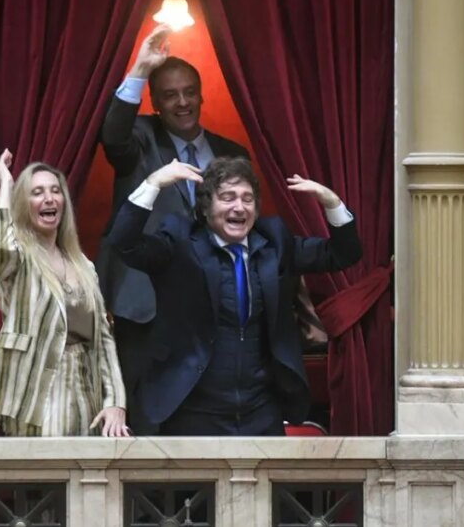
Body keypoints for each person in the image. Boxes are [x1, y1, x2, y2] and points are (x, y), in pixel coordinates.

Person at [107, 157, 362, 436]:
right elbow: (124, 243)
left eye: (247, 199)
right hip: (193, 409)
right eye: (228, 198)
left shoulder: (275, 242)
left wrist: (331, 202)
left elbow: (344, 253)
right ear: (206, 208)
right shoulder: (179, 241)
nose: (239, 207)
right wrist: (153, 183)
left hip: (261, 409)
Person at [97, 25, 249, 429]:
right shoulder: (140, 138)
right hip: (145, 305)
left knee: (204, 417)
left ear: (201, 95)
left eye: (189, 92)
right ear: (155, 103)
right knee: (145, 418)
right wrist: (141, 69)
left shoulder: (231, 153)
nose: (182, 102)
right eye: (170, 95)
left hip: (212, 304)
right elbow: (112, 135)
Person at [0, 149, 130, 437]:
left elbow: (103, 337)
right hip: (36, 392)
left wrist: (115, 402)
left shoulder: (82, 264)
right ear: (23, 205)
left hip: (85, 392)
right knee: (48, 465)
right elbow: (0, 251)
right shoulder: (18, 257)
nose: (49, 199)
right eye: (37, 193)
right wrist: (6, 186)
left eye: (55, 191)